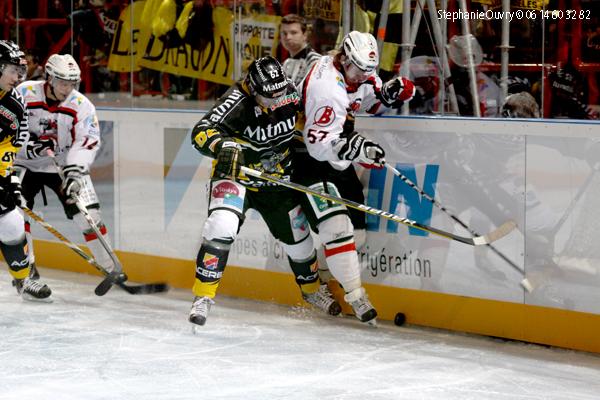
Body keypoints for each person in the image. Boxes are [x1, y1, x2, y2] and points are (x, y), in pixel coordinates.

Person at [188, 56, 341, 326]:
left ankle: (312, 290)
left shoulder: (288, 92)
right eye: (268, 97)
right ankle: (203, 296)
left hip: (276, 180)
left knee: (300, 241)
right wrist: (222, 145)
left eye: (279, 94)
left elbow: (313, 119)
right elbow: (200, 132)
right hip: (237, 176)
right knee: (221, 226)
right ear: (252, 87)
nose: (275, 101)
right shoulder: (236, 101)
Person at [296, 31, 415, 324]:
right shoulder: (327, 89)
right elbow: (317, 146)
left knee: (358, 233)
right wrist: (357, 149)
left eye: (368, 70)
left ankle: (320, 279)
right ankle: (356, 295)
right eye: (359, 69)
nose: (364, 75)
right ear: (345, 59)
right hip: (307, 158)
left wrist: (388, 94)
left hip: (336, 156)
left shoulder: (355, 71)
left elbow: (368, 99)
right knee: (337, 227)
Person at [14, 53, 124, 283]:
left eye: (72, 83)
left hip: (64, 165)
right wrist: (28, 146)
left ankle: (109, 268)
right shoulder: (24, 92)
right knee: (16, 213)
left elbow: (87, 140)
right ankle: (26, 269)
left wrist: (75, 170)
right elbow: (7, 128)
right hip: (26, 163)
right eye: (63, 83)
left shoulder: (82, 105)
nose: (68, 89)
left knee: (89, 215)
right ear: (49, 78)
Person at [0, 40, 52, 300]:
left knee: (11, 224)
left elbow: (11, 145)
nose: (18, 77)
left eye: (20, 71)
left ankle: (23, 281)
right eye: (13, 71)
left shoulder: (15, 102)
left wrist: (8, 177)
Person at [279, 14, 321, 87]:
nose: (288, 37)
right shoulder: (286, 63)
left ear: (305, 35)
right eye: (284, 33)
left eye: (293, 33)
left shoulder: (315, 61)